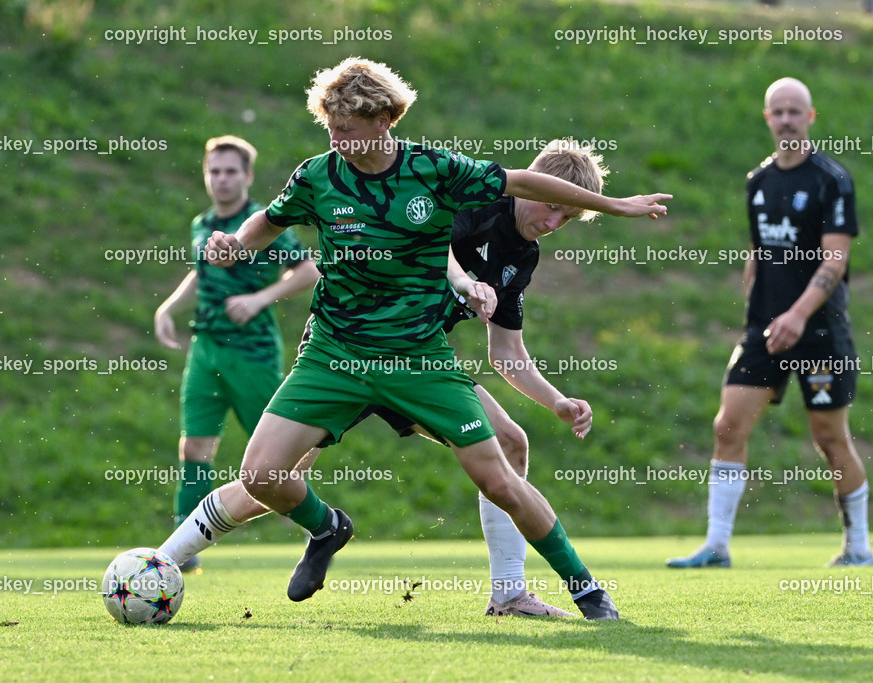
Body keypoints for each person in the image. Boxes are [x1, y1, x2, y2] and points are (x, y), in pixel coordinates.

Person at [200, 57, 669, 620]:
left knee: (500, 477)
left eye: (346, 129)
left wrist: (614, 206)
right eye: (331, 129)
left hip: (418, 358)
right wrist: (237, 244)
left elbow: (522, 181)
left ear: (383, 120)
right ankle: (325, 528)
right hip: (335, 353)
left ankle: (585, 590)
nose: (336, 140)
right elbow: (272, 221)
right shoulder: (317, 175)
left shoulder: (434, 169)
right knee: (261, 476)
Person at [160, 139, 609, 619]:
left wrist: (557, 401)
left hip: (416, 364)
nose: (553, 222)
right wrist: (461, 280)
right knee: (273, 477)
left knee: (510, 442)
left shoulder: (522, 254)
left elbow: (506, 351)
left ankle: (509, 595)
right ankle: (164, 559)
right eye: (552, 206)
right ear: (532, 183)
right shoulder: (472, 201)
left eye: (567, 218)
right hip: (348, 350)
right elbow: (427, 241)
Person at [667, 77, 869, 569]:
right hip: (766, 330)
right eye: (777, 112)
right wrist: (754, 311)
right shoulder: (758, 181)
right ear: (766, 118)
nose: (786, 120)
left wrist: (798, 315)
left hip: (819, 332)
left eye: (794, 111)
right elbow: (758, 251)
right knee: (727, 425)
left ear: (810, 117)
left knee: (829, 437)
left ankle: (859, 546)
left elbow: (835, 259)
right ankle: (716, 546)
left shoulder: (831, 180)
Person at [153, 135, 320, 570]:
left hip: (252, 353)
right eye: (214, 171)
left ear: (247, 176)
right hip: (206, 350)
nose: (222, 179)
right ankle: (181, 550)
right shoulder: (203, 223)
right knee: (194, 446)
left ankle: (317, 524)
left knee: (281, 454)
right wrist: (168, 307)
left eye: (230, 171)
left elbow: (308, 270)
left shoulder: (262, 223)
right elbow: (201, 274)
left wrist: (259, 299)